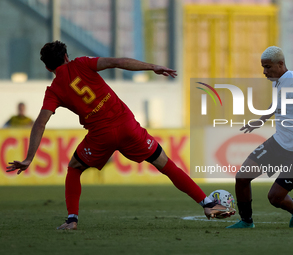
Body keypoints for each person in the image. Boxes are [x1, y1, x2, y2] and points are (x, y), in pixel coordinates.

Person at [6, 41, 233, 230]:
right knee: (165, 164)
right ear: (66, 56)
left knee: (74, 168)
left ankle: (72, 219)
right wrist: (152, 67)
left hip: (100, 136)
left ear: (48, 68)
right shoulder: (83, 63)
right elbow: (119, 62)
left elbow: (40, 123)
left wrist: (29, 158)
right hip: (126, 126)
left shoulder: (54, 90)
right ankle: (207, 202)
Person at [226, 46, 293, 229]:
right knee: (242, 177)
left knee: (275, 198)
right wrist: (260, 121)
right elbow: (276, 102)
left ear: (281, 64)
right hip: (278, 143)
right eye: (263, 67)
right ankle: (246, 221)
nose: (264, 72)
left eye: (268, 67)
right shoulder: (279, 80)